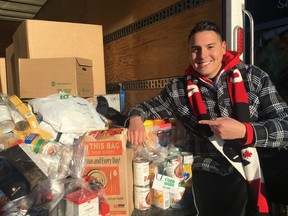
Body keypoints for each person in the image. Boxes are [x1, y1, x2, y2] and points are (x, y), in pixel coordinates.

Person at [126, 21, 288, 216]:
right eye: (196, 50)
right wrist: (135, 118)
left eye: (210, 47)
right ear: (189, 53)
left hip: (261, 158)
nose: (203, 56)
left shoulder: (254, 77)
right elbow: (144, 108)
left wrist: (246, 131)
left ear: (223, 47)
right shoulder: (178, 89)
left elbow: (285, 126)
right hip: (210, 167)